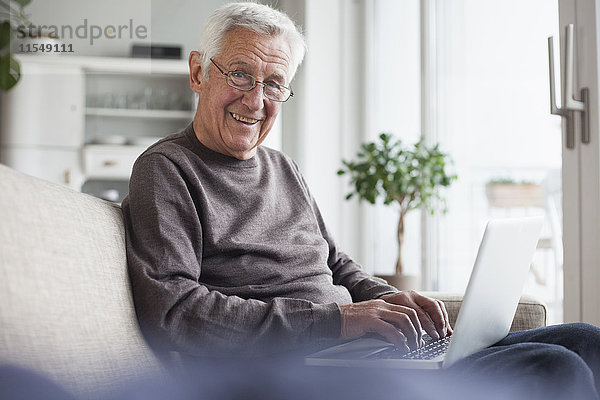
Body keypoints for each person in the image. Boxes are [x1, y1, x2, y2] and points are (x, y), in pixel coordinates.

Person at [122, 2, 600, 399]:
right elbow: (175, 313)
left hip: (354, 351)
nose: (256, 100)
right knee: (555, 369)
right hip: (293, 370)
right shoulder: (166, 171)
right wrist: (335, 323)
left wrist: (389, 300)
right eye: (242, 75)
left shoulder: (283, 169)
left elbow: (337, 266)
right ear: (198, 72)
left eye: (274, 84)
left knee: (588, 341)